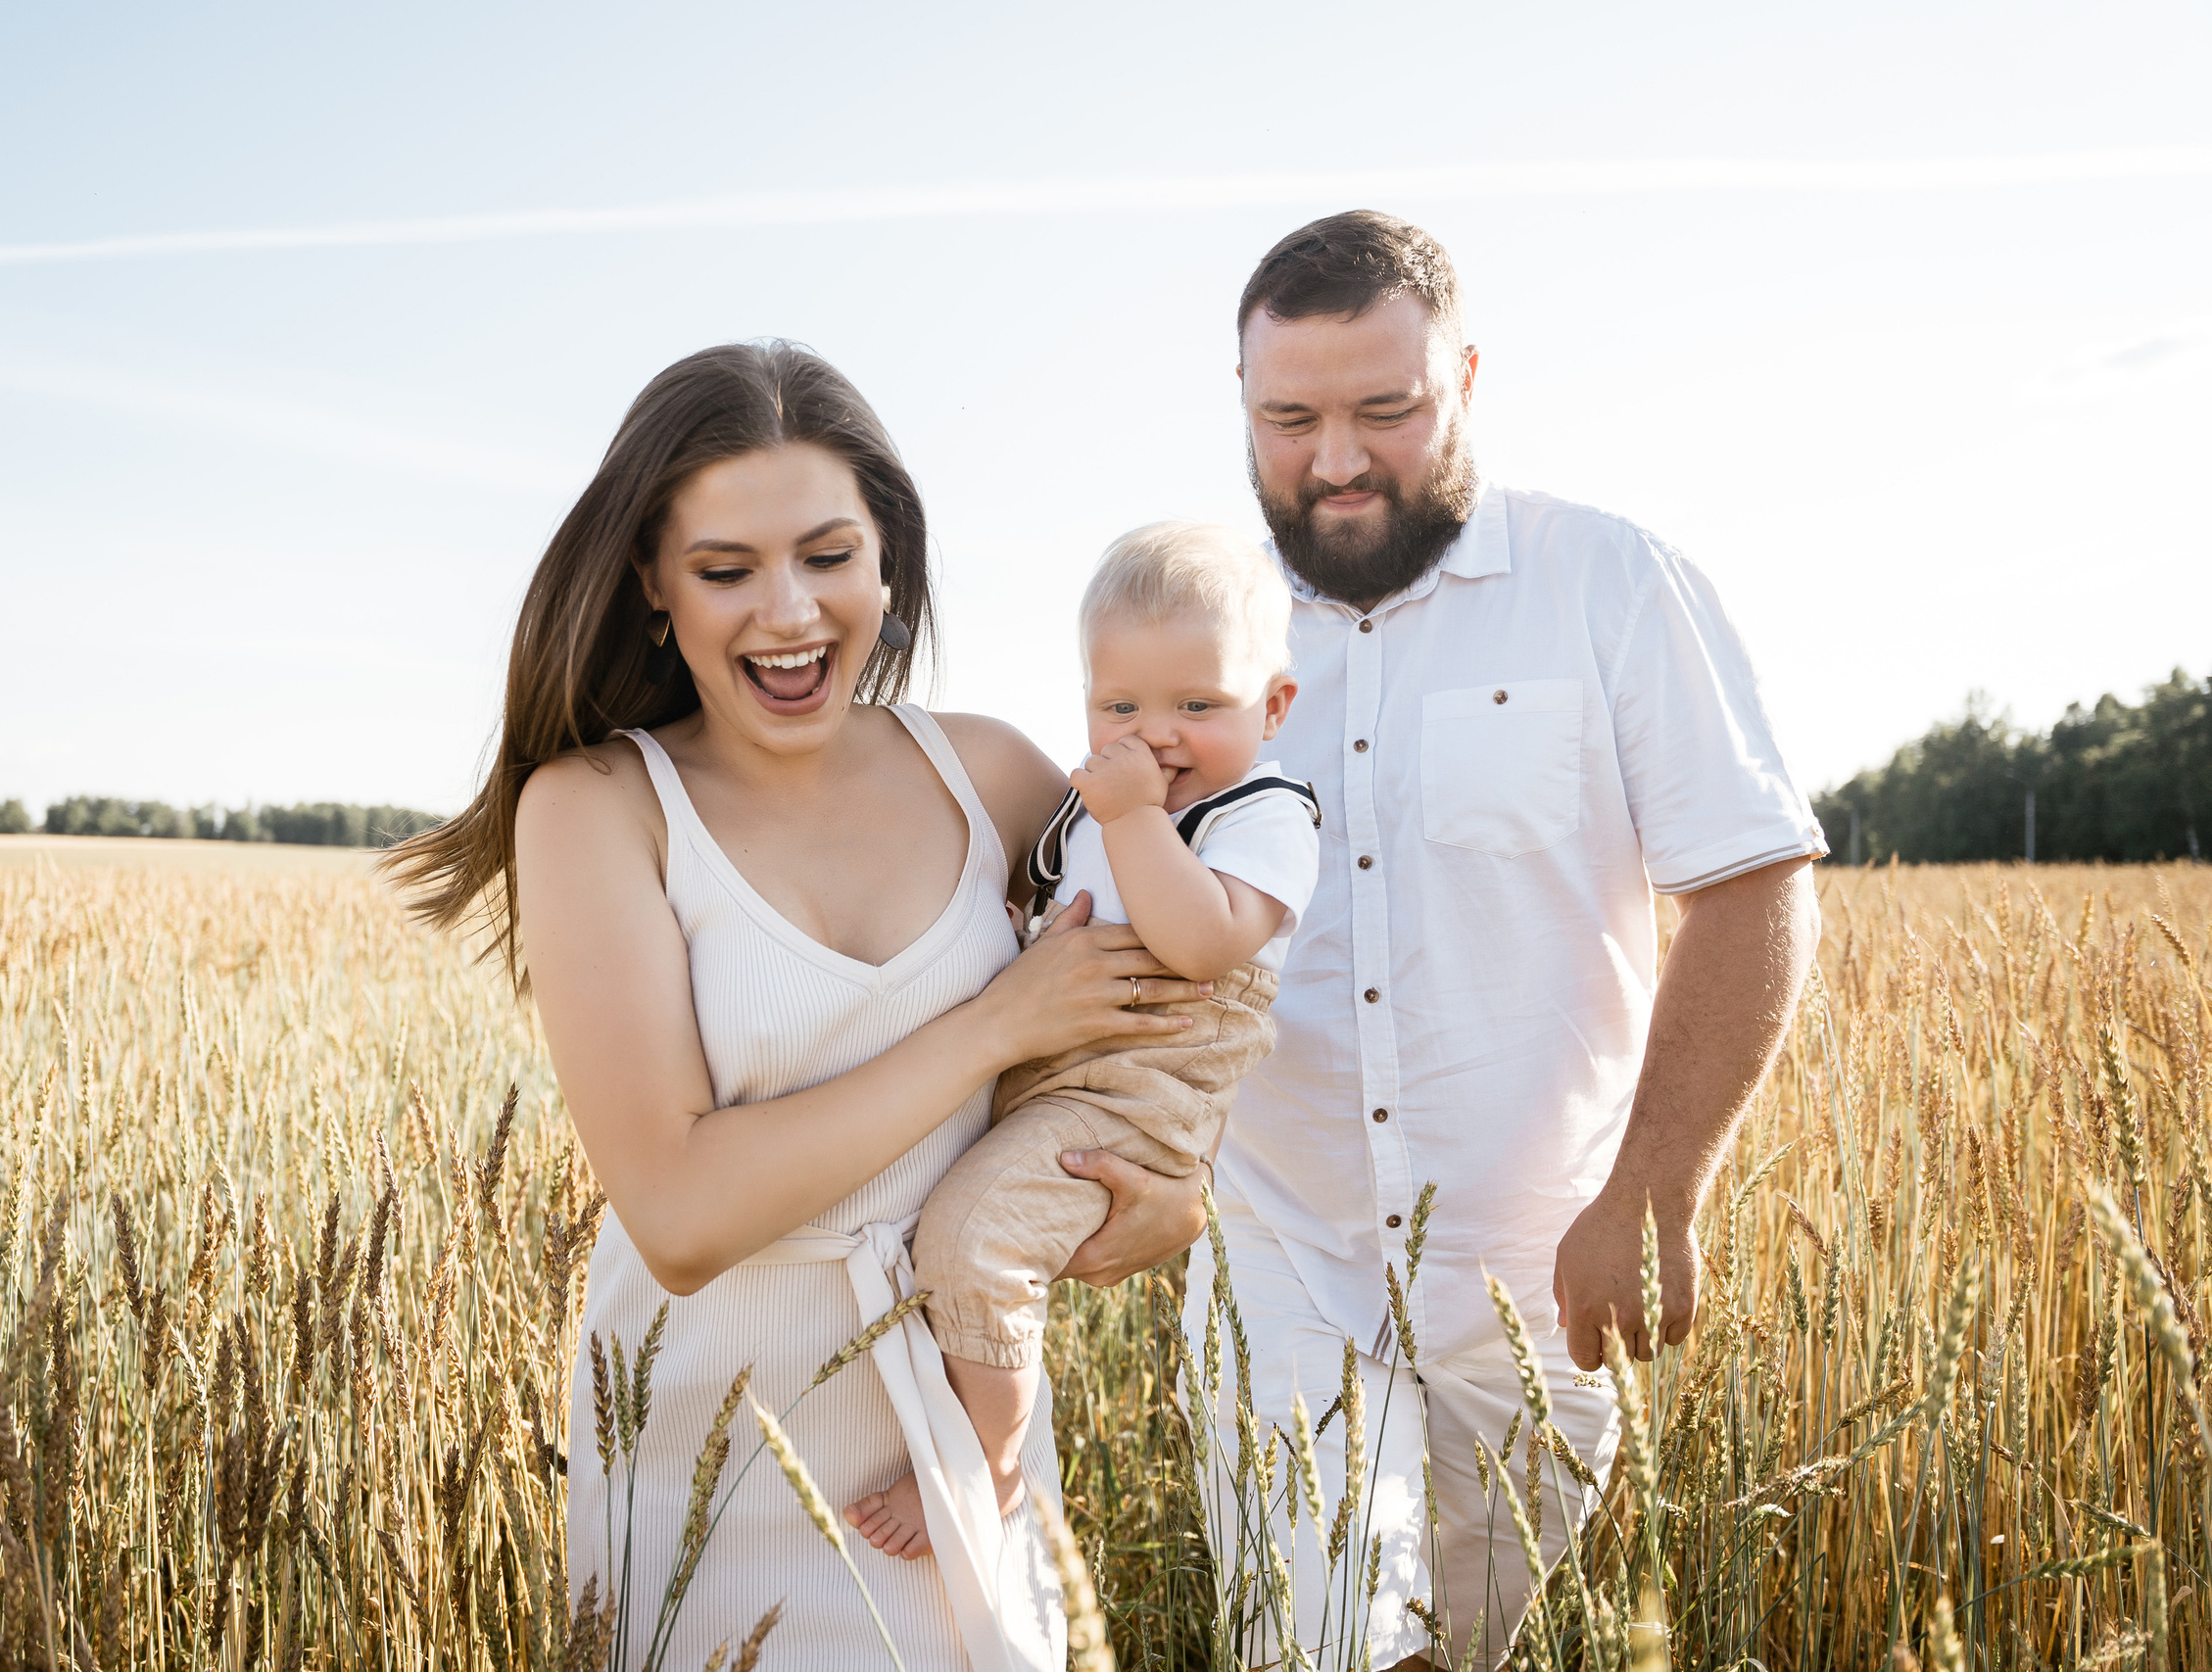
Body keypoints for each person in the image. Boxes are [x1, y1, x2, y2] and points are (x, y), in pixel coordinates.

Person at [387, 341, 1215, 1670]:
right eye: (726, 570)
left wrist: (1180, 1183)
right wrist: (996, 1026)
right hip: (712, 1450)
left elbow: (1204, 969)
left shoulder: (990, 773)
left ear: (887, 559)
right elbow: (681, 1214)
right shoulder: (599, 809)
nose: (789, 610)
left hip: (958, 1432)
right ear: (652, 584)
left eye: (829, 555)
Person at [1190, 211, 1825, 1667]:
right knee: (1336, 1643)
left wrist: (1655, 1187)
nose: (1335, 459)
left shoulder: (1609, 581)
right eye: (1289, 419)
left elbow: (1754, 883)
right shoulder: (1200, 627)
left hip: (1533, 1281)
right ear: (1241, 399)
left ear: (1465, 378)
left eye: (1386, 410)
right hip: (1280, 1264)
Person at [850, 521, 1322, 1558]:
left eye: (1197, 706)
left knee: (976, 1237)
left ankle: (987, 1463)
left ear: (1274, 706)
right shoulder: (1088, 810)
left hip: (1137, 1088)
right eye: (1121, 708)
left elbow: (1199, 942)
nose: (1155, 737)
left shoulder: (1261, 814)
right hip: (1049, 1064)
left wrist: (1135, 817)